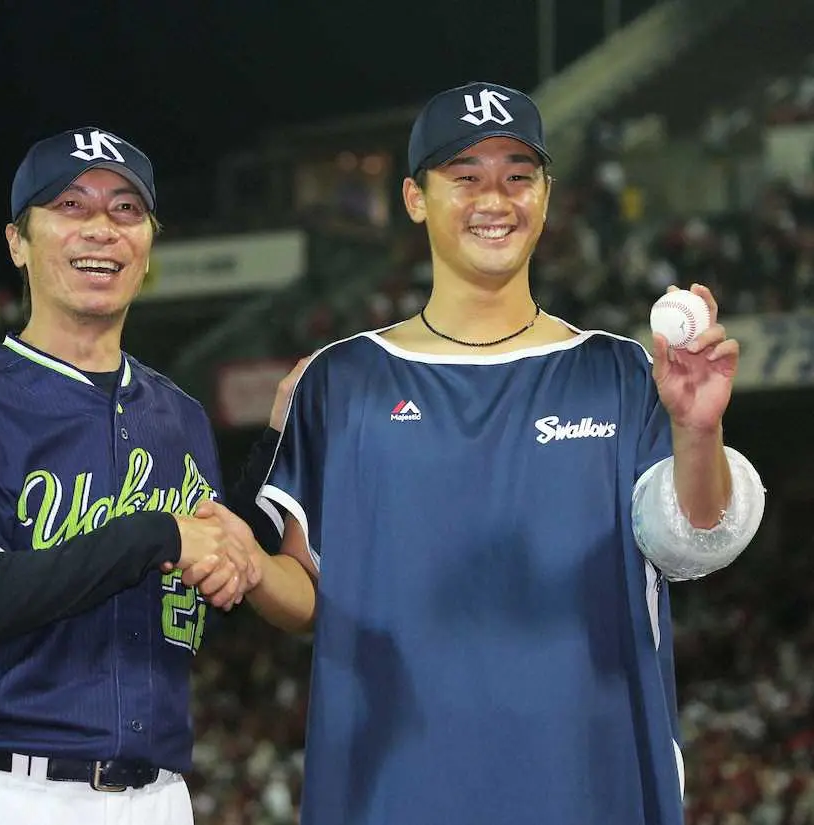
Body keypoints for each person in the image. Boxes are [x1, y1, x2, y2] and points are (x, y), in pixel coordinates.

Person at [227, 83, 768, 825]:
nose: (497, 198)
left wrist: (698, 431)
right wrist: (251, 567)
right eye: (466, 176)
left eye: (519, 175)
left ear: (546, 196)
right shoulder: (343, 379)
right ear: (416, 198)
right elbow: (310, 593)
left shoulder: (617, 372)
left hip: (588, 785)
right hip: (397, 792)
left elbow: (692, 541)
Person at [0, 126, 301, 825]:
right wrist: (154, 534)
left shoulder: (182, 417)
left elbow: (209, 574)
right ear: (18, 242)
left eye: (126, 211)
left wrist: (279, 438)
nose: (102, 229)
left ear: (148, 247)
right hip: (4, 789)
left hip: (161, 795)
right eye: (71, 207)